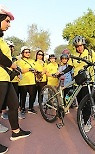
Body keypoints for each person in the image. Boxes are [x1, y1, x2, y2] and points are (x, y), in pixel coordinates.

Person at [0, 5, 31, 153]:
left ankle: (16, 131)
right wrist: (12, 64)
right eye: (7, 20)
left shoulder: (1, 38)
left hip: (5, 78)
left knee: (14, 104)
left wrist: (12, 69)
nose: (9, 24)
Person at [61, 36, 95, 132]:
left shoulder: (90, 53)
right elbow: (69, 67)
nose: (79, 48)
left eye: (81, 46)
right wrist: (61, 72)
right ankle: (82, 119)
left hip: (88, 82)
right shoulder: (73, 55)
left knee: (87, 104)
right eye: (77, 46)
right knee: (80, 102)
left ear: (84, 45)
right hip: (78, 83)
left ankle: (87, 122)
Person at [17, 46, 37, 115]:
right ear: (22, 53)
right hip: (23, 82)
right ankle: (22, 108)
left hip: (32, 81)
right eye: (26, 52)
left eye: (29, 52)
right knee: (23, 96)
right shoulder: (19, 61)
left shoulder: (32, 61)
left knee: (32, 95)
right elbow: (20, 70)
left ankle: (30, 108)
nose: (28, 53)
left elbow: (35, 68)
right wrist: (29, 69)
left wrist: (35, 71)